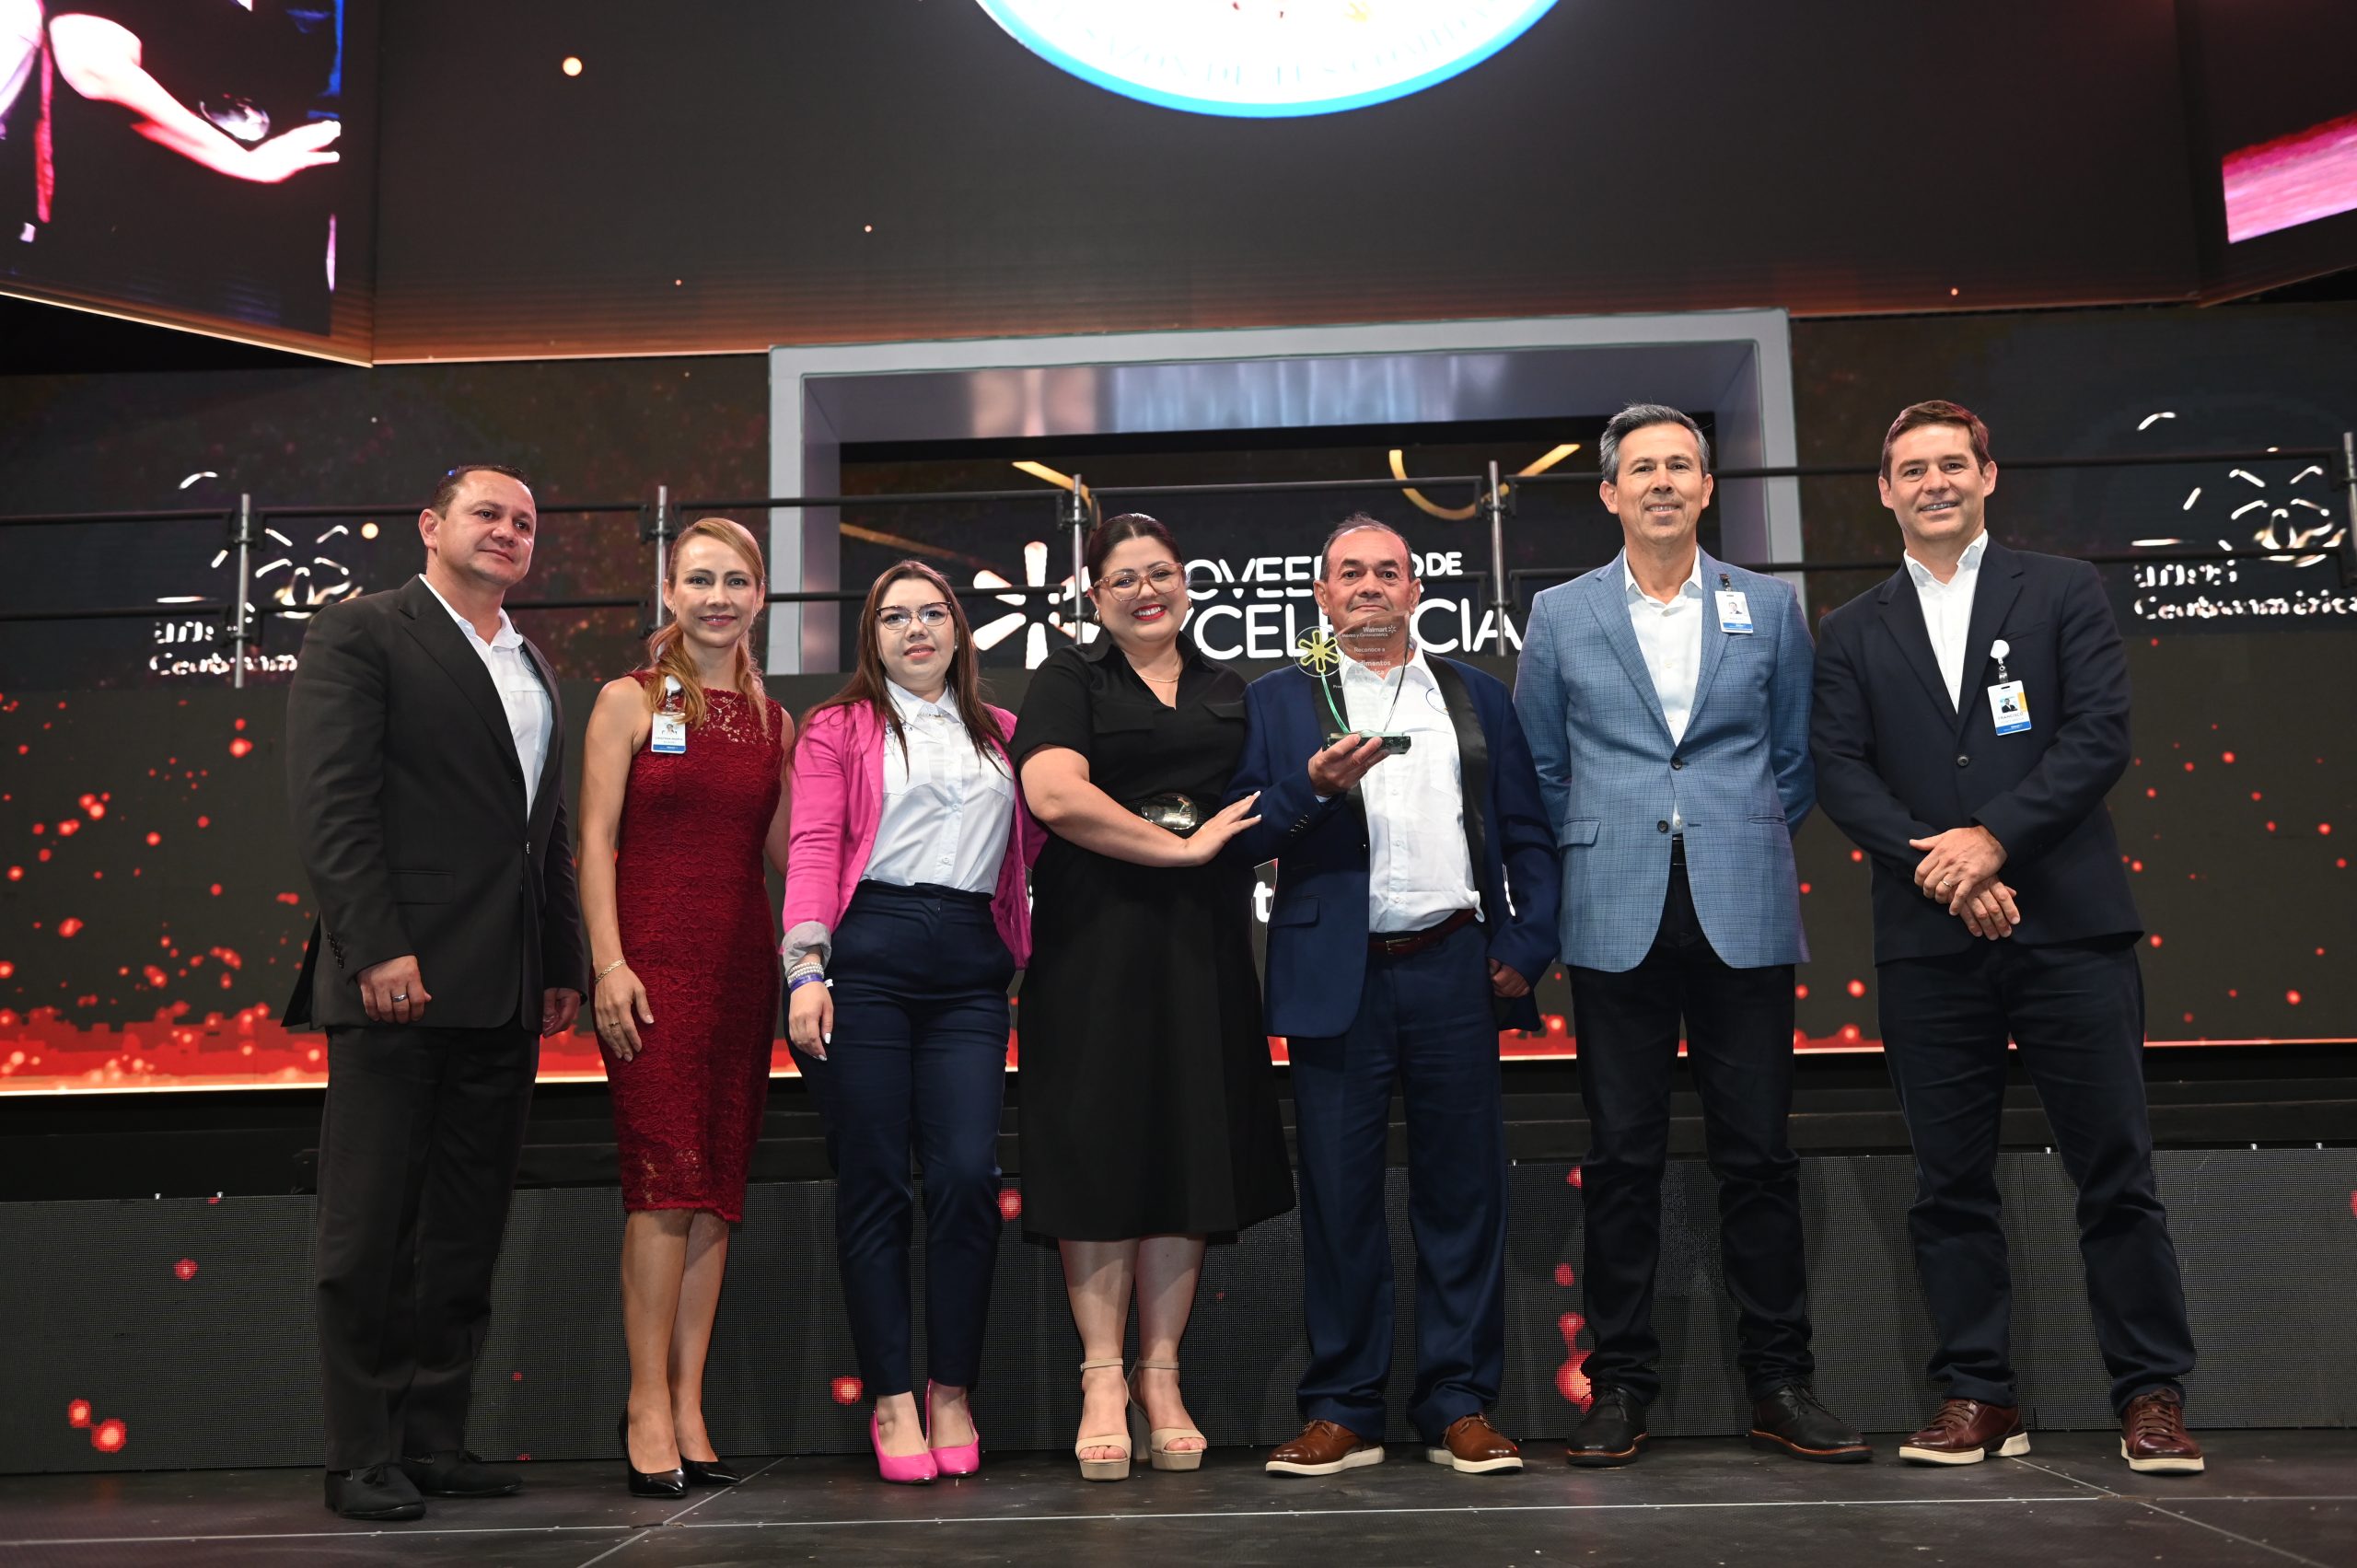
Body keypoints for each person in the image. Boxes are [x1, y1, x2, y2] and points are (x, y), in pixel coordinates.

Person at [1810, 400, 2202, 1472]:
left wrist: (1993, 841)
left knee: (2113, 1172)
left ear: (1987, 475)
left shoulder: (2063, 589)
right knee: (1948, 1182)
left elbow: (2096, 737)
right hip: (1929, 940)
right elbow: (1840, 773)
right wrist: (1948, 870)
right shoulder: (1848, 629)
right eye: (1911, 468)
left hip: (2069, 928)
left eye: (1952, 463)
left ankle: (2151, 1393)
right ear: (1883, 490)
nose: (1933, 482)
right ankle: (1978, 1393)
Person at [1515, 403, 1867, 1468]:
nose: (1662, 480)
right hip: (1612, 902)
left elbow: (1794, 758)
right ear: (1609, 493)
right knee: (1622, 1157)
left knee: (1756, 1153)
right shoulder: (1561, 612)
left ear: (1708, 488)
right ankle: (1621, 1384)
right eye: (1642, 467)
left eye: (1680, 464)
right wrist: (1609, 835)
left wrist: (1730, 832)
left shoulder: (1769, 605)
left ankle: (1780, 1380)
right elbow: (1541, 764)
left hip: (1739, 900)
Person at [1227, 515, 1557, 1479]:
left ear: (1415, 590)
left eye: (1387, 571)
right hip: (1337, 978)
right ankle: (1343, 1407)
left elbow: (1528, 832)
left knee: (1465, 1191)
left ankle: (1460, 1401)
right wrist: (1310, 788)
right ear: (1321, 595)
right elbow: (1244, 831)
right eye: (1349, 573)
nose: (1369, 586)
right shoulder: (1276, 699)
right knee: (1339, 1199)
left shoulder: (1477, 695)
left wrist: (1526, 943)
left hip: (1456, 966)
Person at [283, 464, 584, 1521]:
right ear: (430, 525)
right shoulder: (362, 631)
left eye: (524, 521)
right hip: (397, 981)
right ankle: (360, 1451)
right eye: (487, 513)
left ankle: (433, 1438)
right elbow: (333, 806)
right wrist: (374, 948)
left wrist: (560, 959)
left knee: (463, 1226)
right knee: (371, 1228)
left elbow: (542, 831)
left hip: (506, 990)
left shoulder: (533, 663)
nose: (507, 531)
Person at [1014, 513, 1292, 1482]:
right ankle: (1102, 1377)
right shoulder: (1070, 677)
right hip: (1095, 942)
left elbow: (1265, 806)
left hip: (1202, 945)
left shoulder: (1230, 688)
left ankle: (1161, 1375)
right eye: (1124, 578)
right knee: (1099, 1145)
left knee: (1187, 1147)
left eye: (1161, 572)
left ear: (1186, 581)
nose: (1146, 591)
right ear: (1095, 596)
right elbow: (1053, 795)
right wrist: (1177, 847)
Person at [782, 560, 1043, 1485]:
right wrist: (806, 966)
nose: (916, 629)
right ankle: (892, 1394)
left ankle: (952, 1388)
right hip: (867, 959)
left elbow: (1040, 843)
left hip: (971, 968)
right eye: (895, 616)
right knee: (876, 1182)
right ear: (872, 637)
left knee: (969, 1175)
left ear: (959, 629)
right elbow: (814, 843)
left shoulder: (1005, 731)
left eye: (933, 612)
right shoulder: (838, 726)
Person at [576, 517, 794, 1497]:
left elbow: (793, 856)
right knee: (664, 1187)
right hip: (651, 970)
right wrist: (608, 963)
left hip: (743, 971)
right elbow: (593, 842)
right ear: (670, 591)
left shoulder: (773, 720)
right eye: (700, 579)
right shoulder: (627, 699)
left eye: (735, 580)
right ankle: (644, 1405)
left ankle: (690, 1403)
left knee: (715, 1192)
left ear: (760, 596)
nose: (718, 596)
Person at [42, 1, 341, 329]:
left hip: (273, 236)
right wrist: (243, 161)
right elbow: (96, 70)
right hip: (150, 234)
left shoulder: (287, 17)